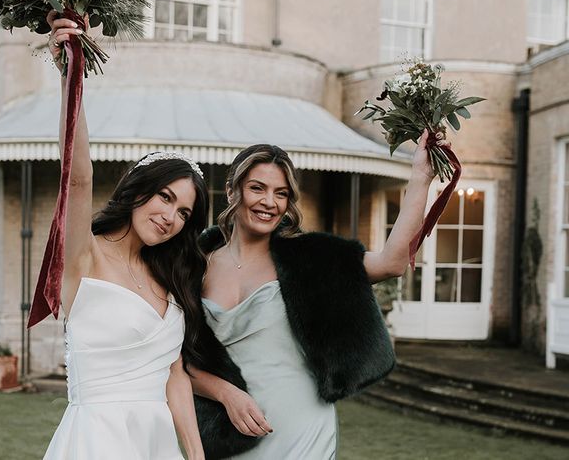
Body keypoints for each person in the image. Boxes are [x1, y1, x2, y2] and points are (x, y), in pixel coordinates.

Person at [187, 135, 440, 459]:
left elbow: (392, 263)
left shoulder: (310, 259)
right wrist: (224, 394)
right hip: (230, 430)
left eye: (281, 194)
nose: (269, 202)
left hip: (303, 427)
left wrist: (420, 178)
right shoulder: (194, 265)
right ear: (232, 189)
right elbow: (175, 363)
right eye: (257, 188)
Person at [41, 13, 207, 460]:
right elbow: (76, 178)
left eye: (184, 212)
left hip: (155, 444)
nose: (171, 216)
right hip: (98, 442)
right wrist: (69, 75)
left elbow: (174, 374)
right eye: (165, 197)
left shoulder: (169, 279)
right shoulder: (85, 257)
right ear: (138, 192)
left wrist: (195, 455)